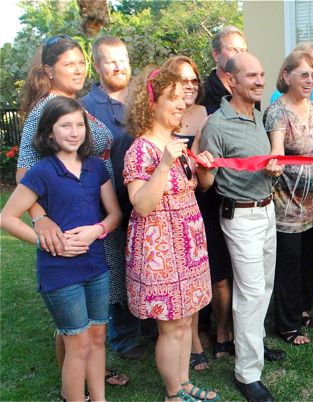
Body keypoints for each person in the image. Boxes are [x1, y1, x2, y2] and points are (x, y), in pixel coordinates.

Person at [16, 34, 130, 389]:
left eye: (82, 62)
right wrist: (40, 217)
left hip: (97, 215)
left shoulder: (71, 103)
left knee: (90, 313)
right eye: (69, 64)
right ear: (48, 70)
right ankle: (76, 382)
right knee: (74, 318)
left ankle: (88, 371)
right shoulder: (47, 110)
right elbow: (24, 172)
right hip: (75, 222)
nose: (79, 69)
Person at [2, 96, 122, 402]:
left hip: (96, 267)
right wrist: (44, 240)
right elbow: (7, 217)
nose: (74, 132)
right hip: (60, 273)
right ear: (49, 133)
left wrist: (98, 229)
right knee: (77, 344)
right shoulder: (42, 171)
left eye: (79, 125)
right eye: (64, 125)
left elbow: (114, 214)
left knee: (97, 339)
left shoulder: (95, 167)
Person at [123, 67, 219, 402]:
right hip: (161, 247)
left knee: (185, 322)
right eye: (172, 99)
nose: (181, 105)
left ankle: (184, 382)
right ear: (151, 104)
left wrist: (205, 170)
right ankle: (173, 393)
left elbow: (200, 187)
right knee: (170, 325)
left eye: (183, 98)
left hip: (188, 243)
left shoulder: (177, 143)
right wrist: (163, 164)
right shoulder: (141, 149)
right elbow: (142, 205)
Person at [197, 52, 285, 402]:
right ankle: (247, 374)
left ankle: (255, 349)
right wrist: (203, 167)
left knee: (263, 287)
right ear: (230, 80)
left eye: (262, 74)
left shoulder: (258, 117)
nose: (260, 81)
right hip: (240, 217)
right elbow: (207, 183)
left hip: (266, 211)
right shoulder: (217, 124)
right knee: (249, 295)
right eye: (252, 76)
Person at [81, 35, 148, 362]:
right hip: (107, 206)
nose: (119, 65)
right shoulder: (86, 108)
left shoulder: (142, 97)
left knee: (143, 266)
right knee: (116, 272)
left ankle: (148, 325)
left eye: (123, 58)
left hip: (146, 204)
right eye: (111, 60)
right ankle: (123, 337)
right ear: (97, 65)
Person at [264, 50, 313, 345]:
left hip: (312, 203)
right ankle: (286, 323)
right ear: (286, 76)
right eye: (304, 74)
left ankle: (302, 310)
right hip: (286, 204)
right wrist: (282, 159)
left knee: (307, 260)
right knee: (288, 266)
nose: (310, 80)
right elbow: (276, 153)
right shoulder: (277, 112)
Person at [197, 25, 246, 358]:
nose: (239, 56)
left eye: (244, 49)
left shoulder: (247, 90)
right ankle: (208, 329)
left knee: (236, 267)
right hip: (205, 194)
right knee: (213, 268)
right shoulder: (201, 94)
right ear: (216, 55)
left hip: (239, 194)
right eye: (232, 50)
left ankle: (231, 330)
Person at [162, 55, 212, 372]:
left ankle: (193, 340)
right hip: (165, 206)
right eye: (183, 81)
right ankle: (189, 346)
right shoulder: (162, 120)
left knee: (194, 280)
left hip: (196, 199)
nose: (190, 86)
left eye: (194, 80)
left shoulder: (204, 114)